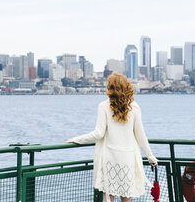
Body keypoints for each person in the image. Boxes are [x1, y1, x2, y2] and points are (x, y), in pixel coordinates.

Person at [66, 73, 158, 202]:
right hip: (127, 158)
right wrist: (150, 156)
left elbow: (98, 133)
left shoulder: (104, 106)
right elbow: (140, 135)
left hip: (109, 158)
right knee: (126, 196)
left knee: (108, 197)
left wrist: (77, 139)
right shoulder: (134, 107)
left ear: (110, 87)